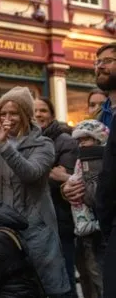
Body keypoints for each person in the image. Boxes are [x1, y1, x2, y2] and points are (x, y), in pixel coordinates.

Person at [0, 86, 72, 297]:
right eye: (3, 113)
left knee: (45, 285)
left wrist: (4, 145)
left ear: (25, 114)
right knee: (7, 287)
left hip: (36, 228)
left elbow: (30, 173)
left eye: (13, 113)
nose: (7, 118)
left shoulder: (43, 144)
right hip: (2, 226)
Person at [34, 97, 79, 297]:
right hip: (34, 219)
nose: (38, 115)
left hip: (59, 218)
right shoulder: (24, 139)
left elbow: (64, 179)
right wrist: (48, 171)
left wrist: (32, 173)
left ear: (51, 114)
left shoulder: (65, 141)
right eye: (34, 111)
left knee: (63, 277)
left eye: (43, 110)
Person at [65, 120, 109, 298]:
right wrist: (68, 187)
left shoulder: (93, 160)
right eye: (80, 140)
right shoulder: (81, 161)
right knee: (91, 279)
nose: (82, 144)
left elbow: (93, 196)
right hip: (88, 230)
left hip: (98, 229)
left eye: (86, 139)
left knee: (100, 279)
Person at [94, 43, 116, 297]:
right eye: (98, 61)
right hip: (103, 219)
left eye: (108, 60)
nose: (101, 65)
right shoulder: (100, 118)